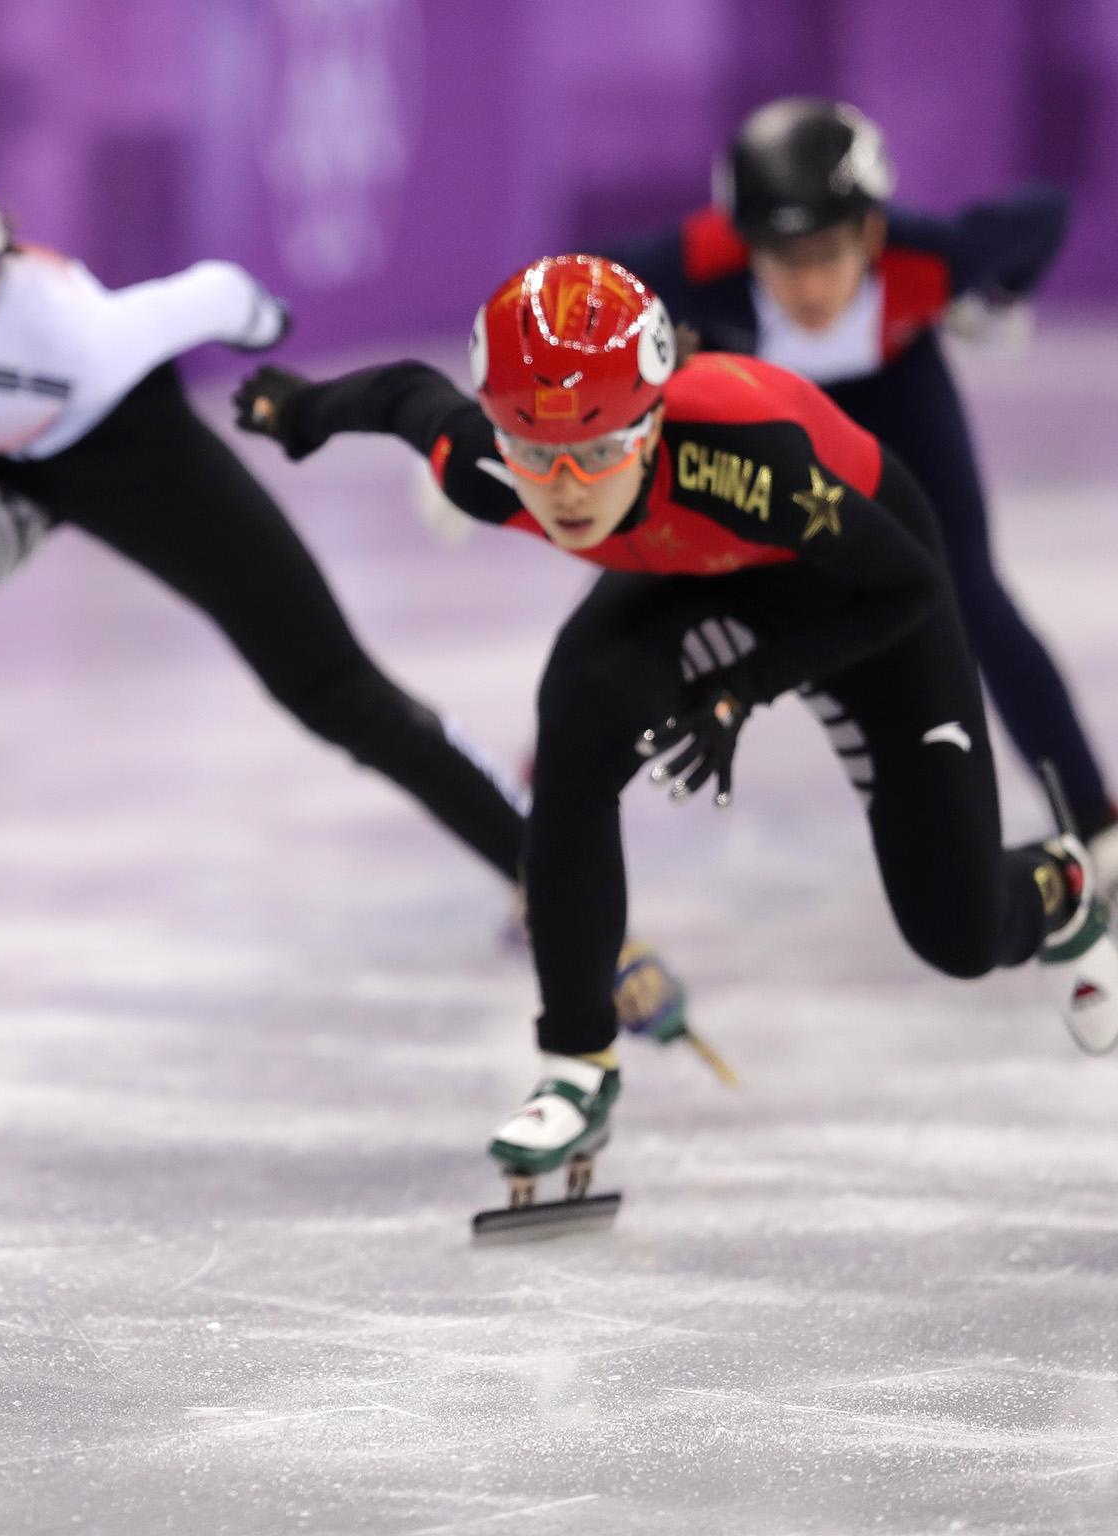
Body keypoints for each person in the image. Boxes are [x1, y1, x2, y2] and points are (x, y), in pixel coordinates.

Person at [0, 149, 683, 1116]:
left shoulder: (71, 334)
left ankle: (543, 880)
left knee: (333, 690)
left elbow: (209, 294)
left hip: (114, 442)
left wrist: (261, 320)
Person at [234, 254, 1118, 1208]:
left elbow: (910, 585)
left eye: (597, 449)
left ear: (653, 422)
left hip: (854, 587)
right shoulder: (489, 466)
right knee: (575, 721)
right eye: (534, 452)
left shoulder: (746, 457)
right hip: (690, 567)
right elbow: (407, 392)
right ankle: (577, 1064)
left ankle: (1058, 886)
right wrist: (302, 415)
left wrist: (747, 686)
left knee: (959, 933)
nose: (566, 490)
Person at [598, 97, 1117, 883]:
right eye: (782, 256)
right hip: (758, 408)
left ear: (873, 231)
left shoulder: (929, 257)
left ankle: (1094, 822)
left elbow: (1042, 215)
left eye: (830, 252)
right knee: (631, 596)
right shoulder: (692, 265)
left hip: (895, 397)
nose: (808, 284)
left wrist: (1000, 295)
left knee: (971, 595)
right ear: (744, 244)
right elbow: (567, 293)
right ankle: (542, 840)